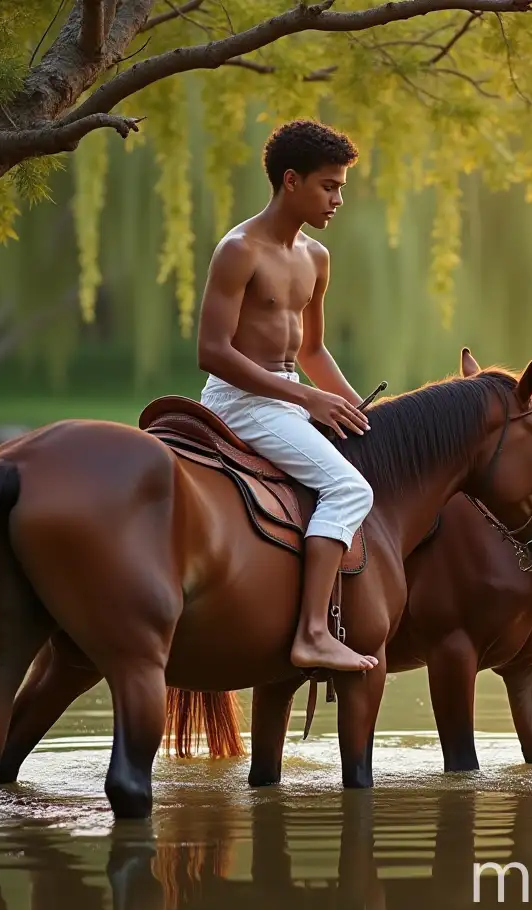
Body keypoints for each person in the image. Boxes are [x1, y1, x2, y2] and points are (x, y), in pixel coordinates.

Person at [196, 119, 379, 674]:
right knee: (350, 489)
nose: (339, 199)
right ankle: (314, 633)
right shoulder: (238, 250)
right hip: (238, 401)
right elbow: (213, 352)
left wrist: (353, 408)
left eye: (342, 187)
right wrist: (307, 402)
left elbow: (314, 352)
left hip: (287, 398)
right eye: (330, 185)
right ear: (291, 181)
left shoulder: (316, 259)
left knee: (369, 455)